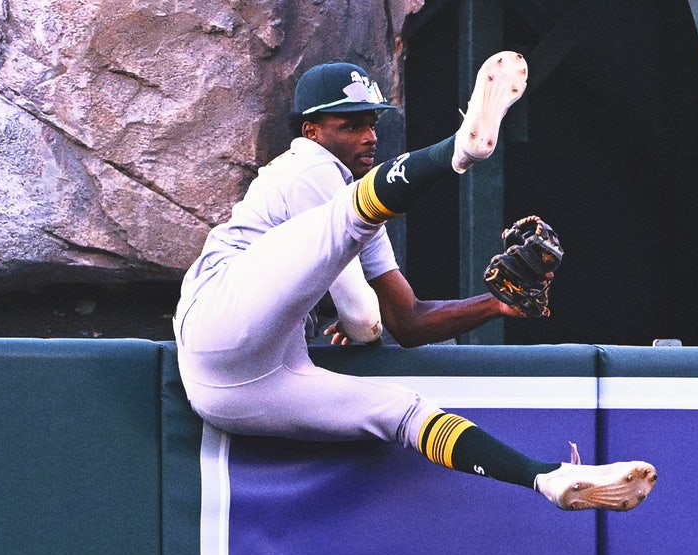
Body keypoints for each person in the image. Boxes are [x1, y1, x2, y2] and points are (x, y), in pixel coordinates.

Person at [174, 52, 656, 511]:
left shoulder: (363, 206)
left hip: (238, 390)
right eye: (350, 124)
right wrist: (361, 322)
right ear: (311, 130)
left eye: (371, 123)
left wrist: (493, 305)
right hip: (216, 313)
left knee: (405, 414)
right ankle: (460, 149)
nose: (368, 136)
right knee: (348, 218)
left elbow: (405, 321)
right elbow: (365, 320)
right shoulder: (308, 164)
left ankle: (546, 478)